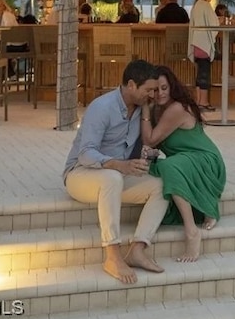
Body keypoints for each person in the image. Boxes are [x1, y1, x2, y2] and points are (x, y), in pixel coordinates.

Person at [63, 59, 168, 284]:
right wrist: (120, 165)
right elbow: (86, 154)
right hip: (81, 174)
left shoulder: (141, 110)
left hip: (115, 178)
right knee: (111, 177)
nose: (152, 95)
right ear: (131, 85)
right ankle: (112, 255)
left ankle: (138, 249)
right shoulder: (102, 107)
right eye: (148, 90)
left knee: (160, 186)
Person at [143, 65, 226, 262]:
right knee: (158, 168)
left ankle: (191, 232)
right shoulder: (159, 110)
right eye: (155, 89)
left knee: (169, 166)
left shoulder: (176, 108)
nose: (160, 93)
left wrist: (145, 109)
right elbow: (152, 148)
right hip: (185, 162)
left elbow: (150, 140)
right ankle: (205, 203)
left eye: (164, 88)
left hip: (206, 161)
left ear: (172, 86)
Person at [187, 0, 219, 111]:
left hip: (196, 43)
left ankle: (198, 100)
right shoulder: (205, 5)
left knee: (200, 72)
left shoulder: (197, 5)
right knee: (205, 73)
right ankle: (203, 102)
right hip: (204, 44)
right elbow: (214, 24)